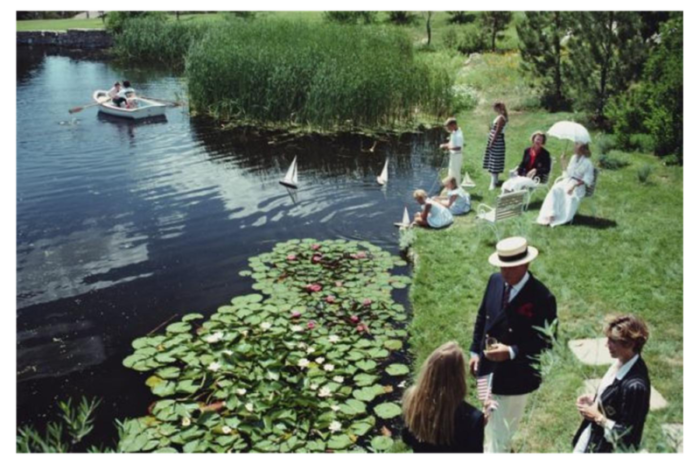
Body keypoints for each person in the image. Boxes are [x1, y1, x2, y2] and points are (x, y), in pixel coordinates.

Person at [469, 237, 557, 456]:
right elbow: (483, 317)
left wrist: (511, 351)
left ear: (526, 265)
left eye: (510, 267)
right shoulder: (494, 281)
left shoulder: (542, 297)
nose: (504, 272)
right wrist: (474, 351)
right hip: (487, 369)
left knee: (503, 428)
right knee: (487, 416)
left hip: (515, 377)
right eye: (502, 266)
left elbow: (547, 340)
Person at [573, 315, 651, 456]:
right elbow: (618, 399)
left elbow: (627, 436)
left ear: (630, 344)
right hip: (593, 438)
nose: (607, 345)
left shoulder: (636, 387)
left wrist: (597, 416)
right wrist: (596, 400)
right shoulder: (621, 362)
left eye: (613, 341)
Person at [402, 342, 487, 456]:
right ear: (460, 377)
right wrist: (480, 424)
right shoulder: (472, 418)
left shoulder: (412, 400)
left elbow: (407, 438)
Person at [537, 142, 595, 227]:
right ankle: (551, 215)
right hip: (567, 181)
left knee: (569, 195)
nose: (574, 146)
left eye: (576, 145)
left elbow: (588, 179)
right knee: (555, 189)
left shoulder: (588, 163)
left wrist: (574, 186)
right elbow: (567, 174)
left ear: (582, 148)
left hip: (578, 185)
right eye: (575, 144)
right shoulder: (573, 158)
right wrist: (562, 161)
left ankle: (562, 217)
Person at [440, 118, 475, 188]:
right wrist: (445, 145)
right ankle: (452, 187)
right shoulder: (454, 132)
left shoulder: (459, 135)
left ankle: (457, 187)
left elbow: (459, 147)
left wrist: (448, 148)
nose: (448, 129)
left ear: (453, 125)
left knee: (455, 173)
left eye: (449, 127)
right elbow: (452, 143)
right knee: (451, 172)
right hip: (453, 155)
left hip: (457, 156)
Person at [483, 102, 509, 190]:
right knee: (495, 160)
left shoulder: (501, 118)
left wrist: (492, 142)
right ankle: (496, 180)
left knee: (495, 161)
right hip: (495, 140)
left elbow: (498, 131)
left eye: (495, 108)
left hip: (497, 141)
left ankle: (493, 183)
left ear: (498, 108)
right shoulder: (500, 116)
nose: (493, 110)